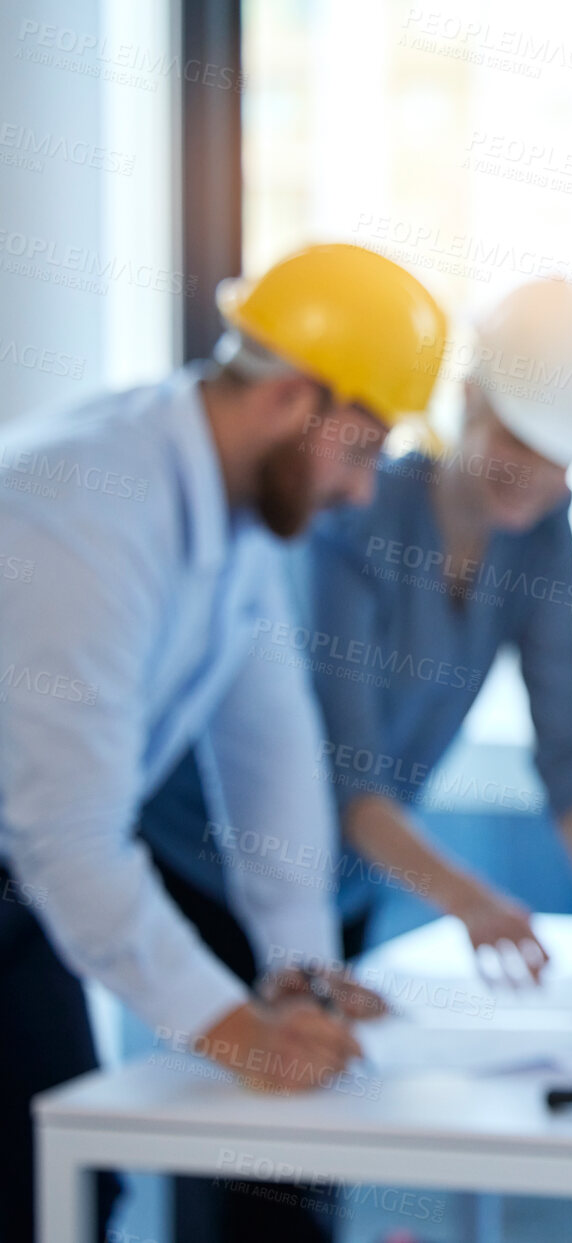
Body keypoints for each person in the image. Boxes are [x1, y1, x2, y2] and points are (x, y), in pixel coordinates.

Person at [0, 242, 437, 1243]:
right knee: (27, 1192)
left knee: (63, 1183)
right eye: (362, 449)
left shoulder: (234, 521)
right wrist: (242, 1034)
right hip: (34, 852)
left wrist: (299, 967)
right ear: (290, 398)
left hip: (19, 877)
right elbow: (69, 837)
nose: (364, 491)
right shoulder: (90, 516)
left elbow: (269, 747)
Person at [302, 278, 572, 984]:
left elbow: (566, 744)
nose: (533, 476)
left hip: (341, 889)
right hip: (221, 869)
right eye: (519, 440)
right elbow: (350, 781)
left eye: (561, 458)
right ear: (468, 400)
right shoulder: (360, 521)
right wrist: (474, 903)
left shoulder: (541, 537)